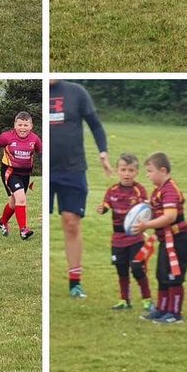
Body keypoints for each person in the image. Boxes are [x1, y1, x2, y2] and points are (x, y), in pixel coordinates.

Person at [49, 79, 113, 299]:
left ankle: (75, 282)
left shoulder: (76, 92)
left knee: (71, 223)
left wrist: (103, 152)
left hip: (72, 169)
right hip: (43, 171)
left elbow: (95, 123)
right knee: (36, 225)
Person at [131, 152, 187, 325]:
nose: (147, 175)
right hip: (167, 239)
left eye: (150, 171)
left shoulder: (170, 189)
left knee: (174, 276)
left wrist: (146, 225)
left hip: (178, 240)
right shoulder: (159, 190)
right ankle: (163, 309)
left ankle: (175, 313)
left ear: (163, 170)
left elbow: (170, 216)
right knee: (162, 274)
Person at [98, 153, 153, 312]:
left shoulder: (139, 190)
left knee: (137, 268)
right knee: (121, 269)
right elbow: (106, 205)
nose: (127, 174)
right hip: (117, 238)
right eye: (123, 170)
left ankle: (147, 299)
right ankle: (124, 300)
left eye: (130, 170)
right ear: (117, 171)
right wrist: (102, 209)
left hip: (135, 237)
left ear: (136, 172)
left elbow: (145, 210)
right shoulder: (112, 190)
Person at [0, 110, 42, 241]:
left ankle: (2, 221)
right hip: (10, 172)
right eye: (20, 125)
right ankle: (24, 230)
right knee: (21, 198)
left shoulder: (35, 139)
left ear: (31, 126)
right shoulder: (7, 137)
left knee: (14, 202)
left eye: (26, 125)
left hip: (25, 174)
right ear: (15, 125)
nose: (22, 128)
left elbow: (42, 153)